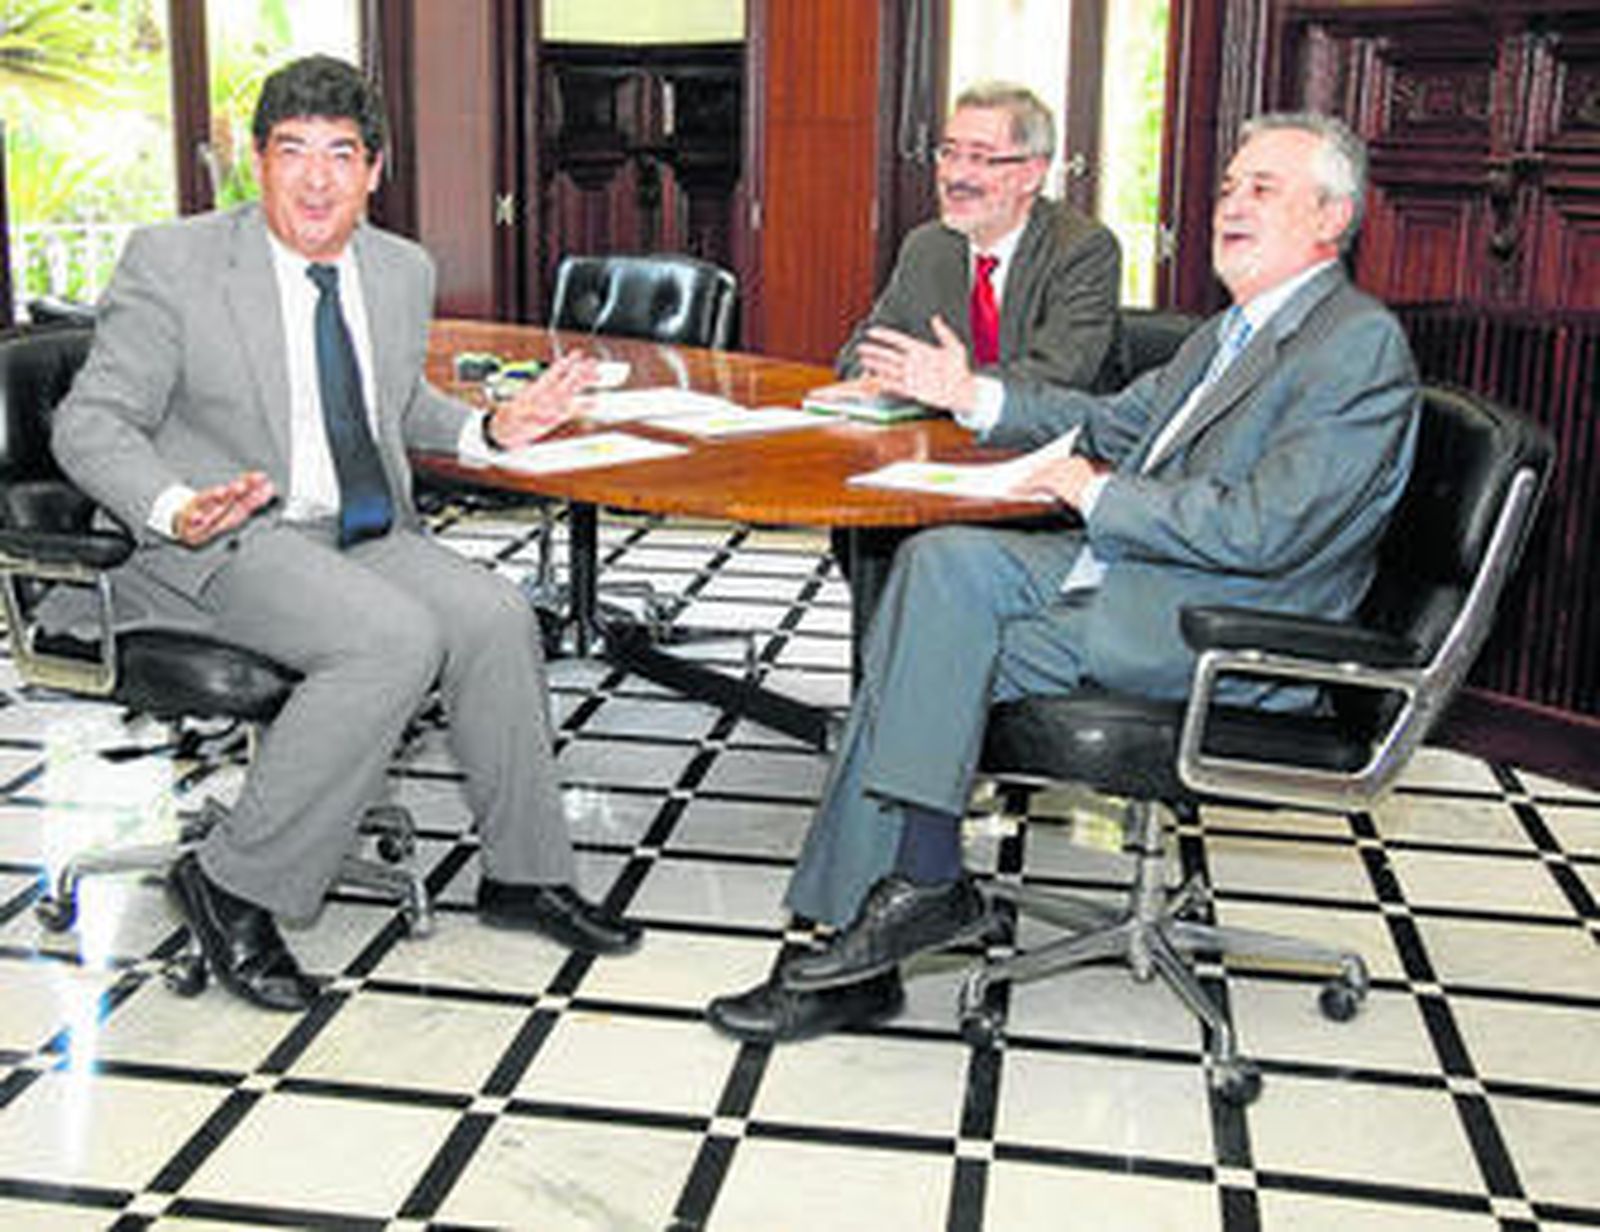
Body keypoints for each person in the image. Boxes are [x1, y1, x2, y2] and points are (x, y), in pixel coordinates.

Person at [707, 111, 1420, 1043]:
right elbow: (1111, 422)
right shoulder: (1227, 334)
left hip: (1231, 625)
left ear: (1331, 218)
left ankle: (881, 922)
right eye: (1231, 185)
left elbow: (1266, 529)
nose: (1231, 205)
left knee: (927, 650)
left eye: (1263, 189)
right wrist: (972, 395)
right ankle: (910, 894)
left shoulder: (1355, 346)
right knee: (937, 564)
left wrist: (1096, 493)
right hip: (1149, 576)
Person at [50, 55, 639, 1012]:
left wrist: (491, 428)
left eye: (341, 154)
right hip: (223, 536)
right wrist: (170, 505)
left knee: (496, 616)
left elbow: (393, 400)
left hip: (359, 529)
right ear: (256, 161)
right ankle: (230, 882)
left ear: (375, 170)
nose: (316, 178)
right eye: (292, 152)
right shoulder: (176, 261)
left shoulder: (398, 268)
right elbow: (89, 423)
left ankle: (524, 873)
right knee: (394, 640)